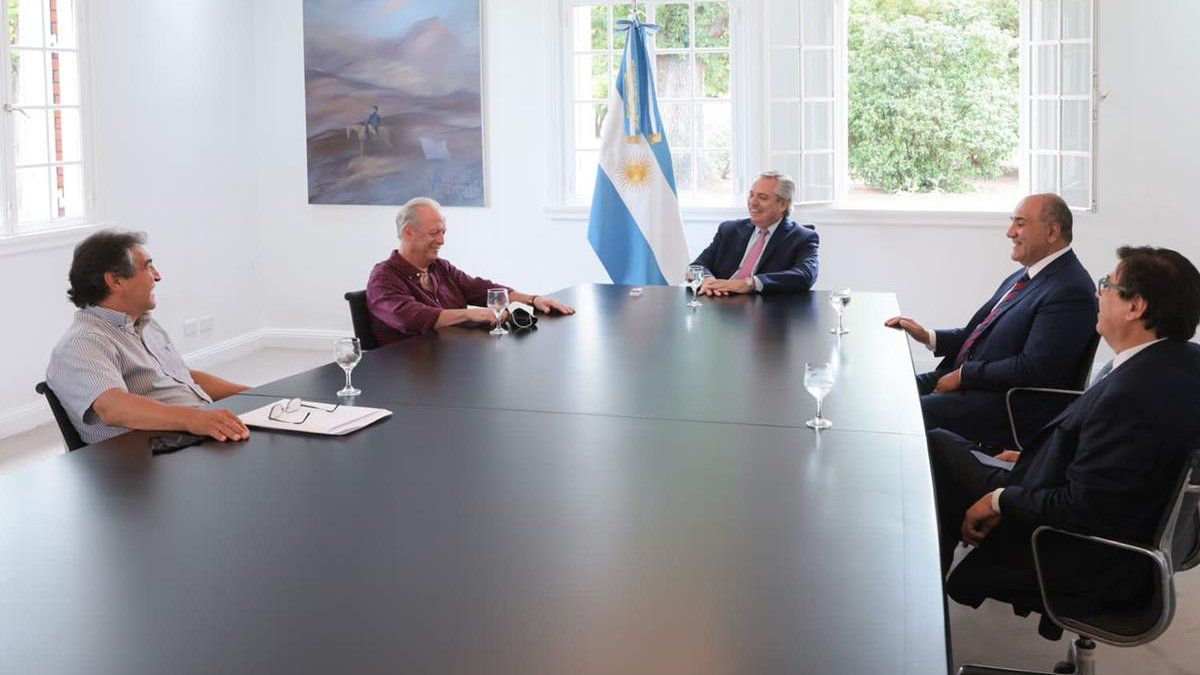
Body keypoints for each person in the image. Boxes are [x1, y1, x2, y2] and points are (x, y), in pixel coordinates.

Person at [930, 246, 1200, 612]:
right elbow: (1116, 465)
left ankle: (923, 606)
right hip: (1111, 520)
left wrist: (998, 500)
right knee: (946, 445)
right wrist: (1032, 456)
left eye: (1108, 284)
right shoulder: (1181, 362)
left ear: (1136, 307)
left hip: (1082, 556)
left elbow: (1082, 508)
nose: (1097, 292)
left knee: (936, 449)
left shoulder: (1131, 396)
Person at [885, 193, 1097, 448]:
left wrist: (965, 375)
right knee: (891, 390)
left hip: (1006, 404)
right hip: (974, 384)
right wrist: (928, 336)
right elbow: (981, 332)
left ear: (1052, 232)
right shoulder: (1027, 275)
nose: (1010, 232)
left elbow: (1035, 369)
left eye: (1020, 223)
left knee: (904, 414)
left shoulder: (1069, 289)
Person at [46, 230, 251, 445]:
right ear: (116, 281)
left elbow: (181, 378)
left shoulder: (145, 324)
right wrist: (195, 419)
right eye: (148, 267)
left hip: (196, 434)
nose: (158, 276)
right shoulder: (83, 342)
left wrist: (257, 395)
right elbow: (113, 408)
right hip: (153, 456)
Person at [367, 197, 575, 344]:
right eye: (434, 233)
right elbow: (411, 318)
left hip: (448, 361)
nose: (441, 240)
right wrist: (469, 315)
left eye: (443, 232)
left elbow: (481, 289)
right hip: (407, 376)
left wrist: (532, 299)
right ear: (408, 232)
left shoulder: (440, 267)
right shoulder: (384, 278)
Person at [692, 170, 819, 296]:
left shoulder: (803, 237)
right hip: (720, 302)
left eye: (762, 197)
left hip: (765, 310)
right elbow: (694, 267)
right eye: (751, 195)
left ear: (783, 204)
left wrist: (751, 283)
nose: (753, 202)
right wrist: (708, 280)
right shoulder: (729, 230)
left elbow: (806, 275)